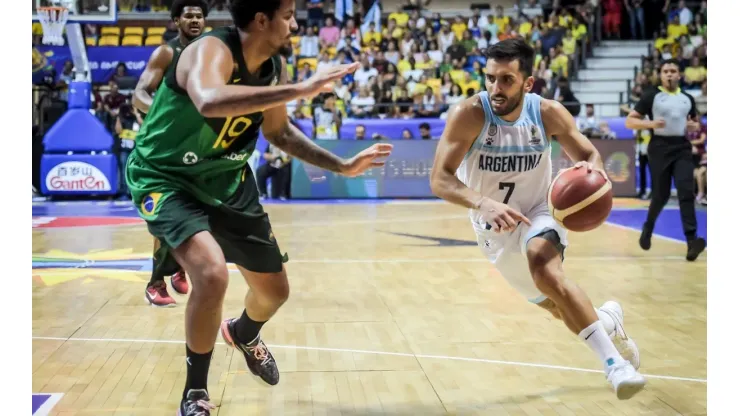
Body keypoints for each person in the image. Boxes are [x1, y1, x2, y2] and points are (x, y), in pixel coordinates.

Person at [125, 1, 392, 414]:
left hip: (229, 181)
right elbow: (210, 101)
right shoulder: (211, 49)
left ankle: (244, 332)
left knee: (274, 292)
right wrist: (302, 90)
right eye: (287, 15)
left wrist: (341, 165)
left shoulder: (273, 65)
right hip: (166, 177)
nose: (295, 23)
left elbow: (279, 132)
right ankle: (195, 392)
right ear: (262, 19)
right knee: (211, 275)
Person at [430, 38, 646, 400]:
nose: (496, 88)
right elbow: (440, 179)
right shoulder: (468, 114)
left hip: (540, 212)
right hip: (493, 230)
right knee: (558, 307)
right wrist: (483, 203)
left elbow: (590, 154)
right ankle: (608, 321)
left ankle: (615, 366)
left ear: (528, 83)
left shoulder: (547, 113)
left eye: (506, 80)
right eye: (490, 78)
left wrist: (589, 169)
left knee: (546, 269)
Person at [132, 0, 210, 307]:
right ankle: (155, 282)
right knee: (167, 210)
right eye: (188, 15)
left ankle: (178, 266)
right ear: (176, 20)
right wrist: (162, 116)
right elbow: (139, 93)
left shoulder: (211, 52)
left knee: (196, 212)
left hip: (197, 146)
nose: (194, 20)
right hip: (164, 149)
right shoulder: (167, 52)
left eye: (199, 15)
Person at [625, 59, 706, 261]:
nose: (669, 74)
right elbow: (630, 121)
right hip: (659, 147)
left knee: (686, 191)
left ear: (679, 75)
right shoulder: (651, 96)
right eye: (665, 71)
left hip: (682, 147)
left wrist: (693, 127)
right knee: (660, 195)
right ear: (660, 75)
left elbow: (693, 122)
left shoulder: (687, 98)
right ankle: (648, 227)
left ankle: (691, 241)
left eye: (673, 71)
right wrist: (651, 123)